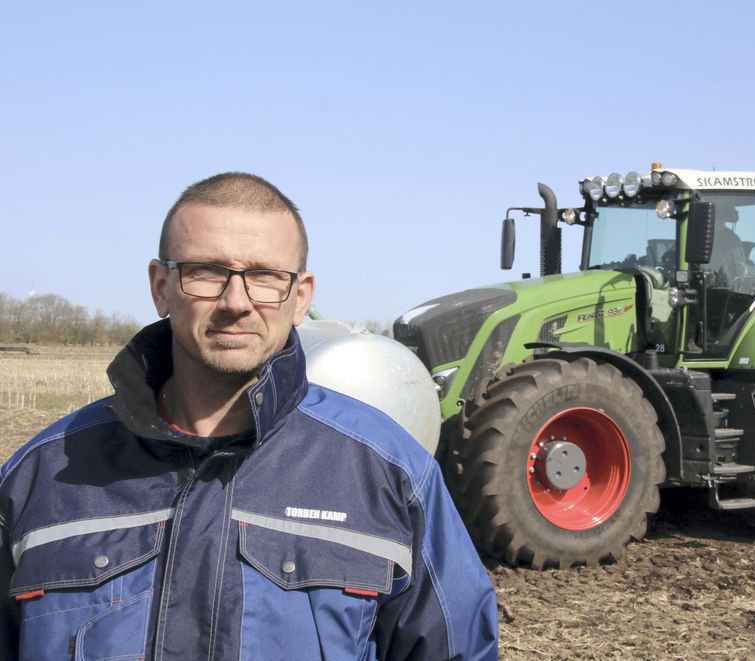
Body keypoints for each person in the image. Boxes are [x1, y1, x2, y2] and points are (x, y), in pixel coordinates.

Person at [0, 173, 498, 659]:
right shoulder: (40, 478)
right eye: (207, 272)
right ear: (160, 286)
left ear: (301, 297)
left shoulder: (390, 477)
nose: (235, 302)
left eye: (265, 277)